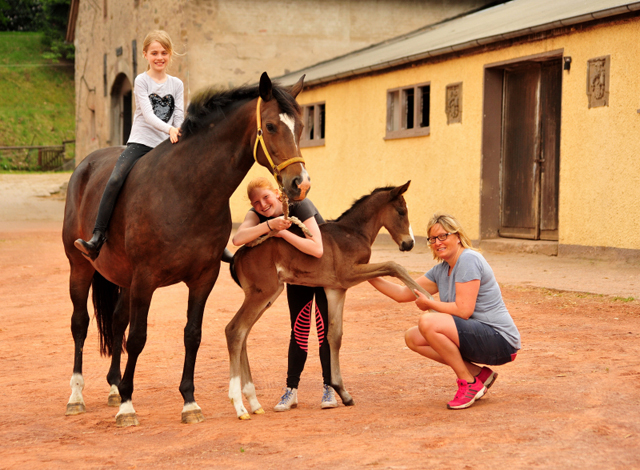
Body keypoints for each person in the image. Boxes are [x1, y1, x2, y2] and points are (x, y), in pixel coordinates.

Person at [368, 213, 520, 410]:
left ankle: (469, 383)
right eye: (433, 239)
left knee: (428, 321)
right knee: (413, 337)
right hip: (478, 338)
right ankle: (478, 374)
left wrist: (429, 304)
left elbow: (464, 310)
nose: (437, 242)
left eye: (443, 236)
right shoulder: (441, 270)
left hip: (500, 340)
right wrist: (367, 274)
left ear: (457, 236)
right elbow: (401, 293)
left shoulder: (468, 259)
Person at [75, 30, 184, 260]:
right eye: (154, 53)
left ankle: (209, 239)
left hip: (168, 144)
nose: (159, 57)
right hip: (141, 143)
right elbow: (148, 115)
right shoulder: (141, 81)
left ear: (170, 54)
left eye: (164, 53)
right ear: (145, 54)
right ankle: (97, 237)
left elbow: (179, 114)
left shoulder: (176, 84)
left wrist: (178, 130)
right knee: (115, 179)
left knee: (195, 177)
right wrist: (170, 129)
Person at [232, 177, 338, 411]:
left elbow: (317, 249)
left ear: (278, 194)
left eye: (266, 197)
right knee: (299, 330)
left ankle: (330, 387)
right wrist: (270, 225)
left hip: (322, 276)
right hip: (297, 276)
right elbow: (238, 239)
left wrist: (283, 234)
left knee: (323, 332)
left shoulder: (300, 205)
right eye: (256, 202)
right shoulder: (259, 213)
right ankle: (292, 390)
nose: (262, 205)